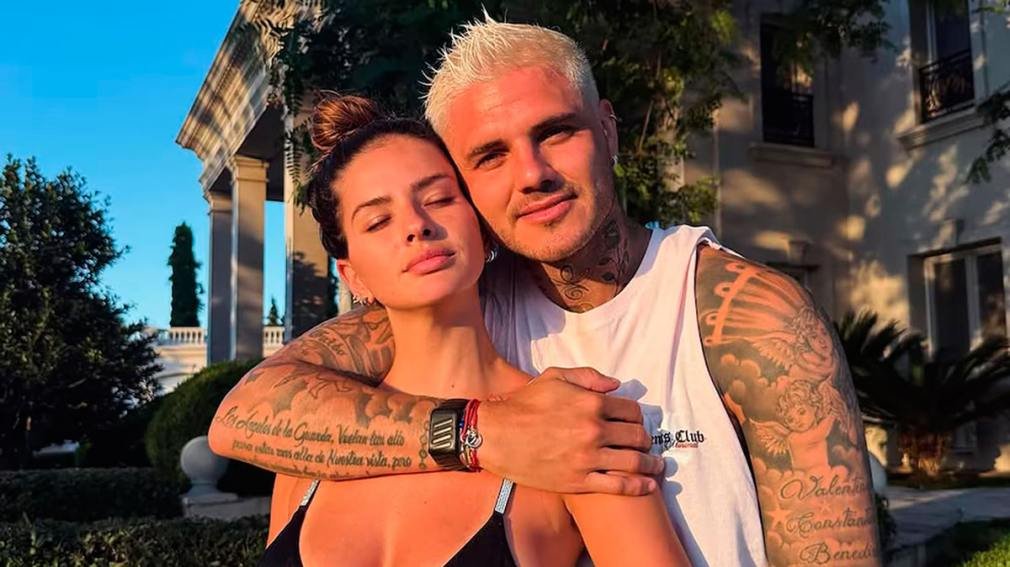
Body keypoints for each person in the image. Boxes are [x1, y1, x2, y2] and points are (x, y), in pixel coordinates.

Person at [211, 17, 882, 566]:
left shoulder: (743, 314)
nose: (532, 174)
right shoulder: (455, 300)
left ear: (608, 131)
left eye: (555, 132)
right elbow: (246, 411)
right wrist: (484, 432)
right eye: (490, 155)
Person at [258, 93, 688, 566]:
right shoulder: (311, 451)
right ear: (352, 276)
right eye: (378, 221)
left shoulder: (570, 431)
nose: (416, 226)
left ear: (481, 230)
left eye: (439, 199)